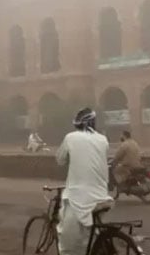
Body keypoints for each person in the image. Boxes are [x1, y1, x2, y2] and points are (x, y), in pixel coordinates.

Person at [56, 108, 113, 255]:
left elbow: (60, 159)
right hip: (102, 195)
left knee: (67, 241)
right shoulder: (103, 139)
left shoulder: (70, 137)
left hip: (78, 197)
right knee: (91, 233)